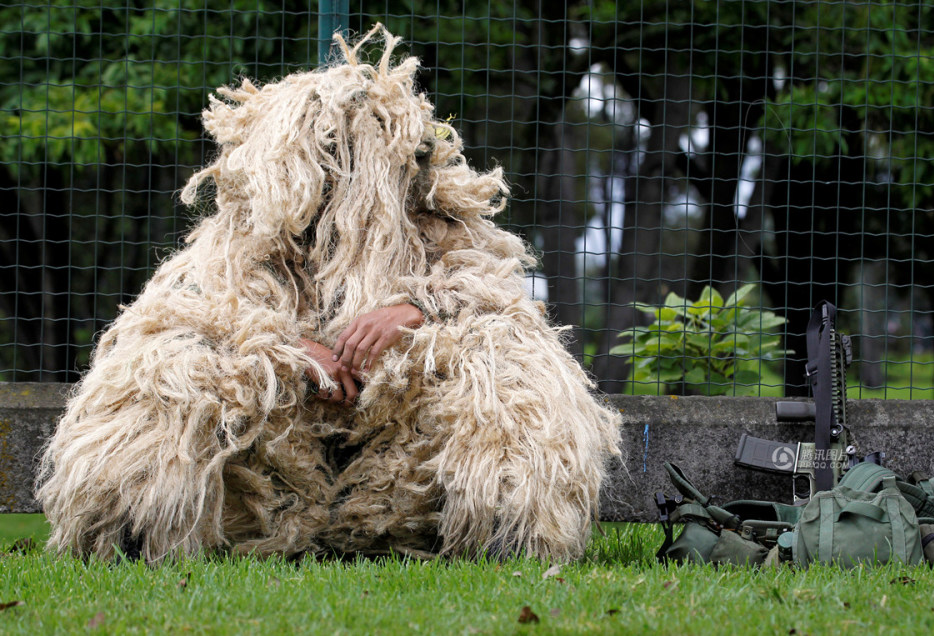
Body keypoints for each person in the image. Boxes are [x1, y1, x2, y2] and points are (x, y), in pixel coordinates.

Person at [37, 25, 621, 562]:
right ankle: (136, 525)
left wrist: (416, 311)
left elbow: (494, 292)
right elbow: (194, 307)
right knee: (165, 364)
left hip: (401, 443)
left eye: (351, 159)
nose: (335, 178)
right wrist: (285, 348)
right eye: (321, 159)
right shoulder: (242, 240)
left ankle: (506, 527)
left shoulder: (437, 225)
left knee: (508, 358)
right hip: (278, 455)